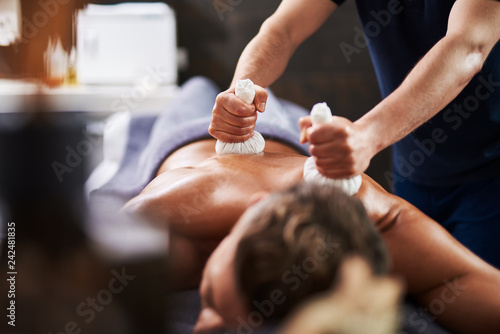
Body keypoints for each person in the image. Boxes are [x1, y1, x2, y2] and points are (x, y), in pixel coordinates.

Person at [114, 77, 500, 334]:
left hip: (298, 150)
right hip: (202, 134)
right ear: (255, 208)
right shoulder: (176, 218)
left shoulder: (386, 229)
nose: (205, 328)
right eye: (211, 300)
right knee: (199, 87)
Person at [208, 0, 500, 268]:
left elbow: (468, 47)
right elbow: (284, 27)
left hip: (489, 177)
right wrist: (239, 93)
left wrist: (367, 135)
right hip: (413, 172)